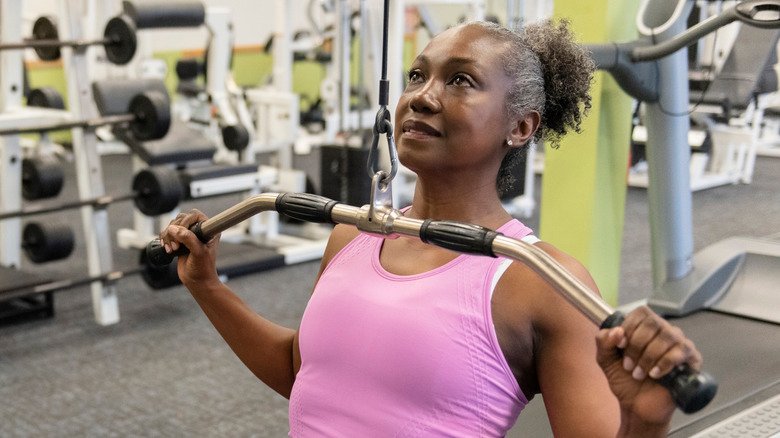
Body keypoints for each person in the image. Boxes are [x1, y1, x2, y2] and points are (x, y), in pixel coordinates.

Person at [159, 19, 703, 437]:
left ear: (520, 126)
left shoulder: (540, 281)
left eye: (460, 80)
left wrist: (645, 423)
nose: (422, 95)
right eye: (418, 75)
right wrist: (206, 285)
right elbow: (304, 373)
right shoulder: (352, 235)